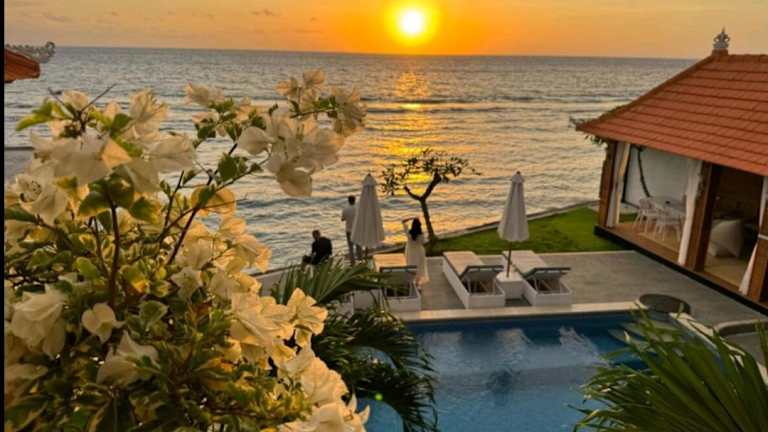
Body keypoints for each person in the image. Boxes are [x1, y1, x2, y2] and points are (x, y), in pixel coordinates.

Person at [402, 218, 429, 285]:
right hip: (419, 251)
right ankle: (417, 283)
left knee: (410, 264)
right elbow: (423, 242)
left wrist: (410, 218)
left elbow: (403, 222)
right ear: (419, 225)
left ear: (413, 225)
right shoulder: (421, 234)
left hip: (410, 251)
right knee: (419, 266)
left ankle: (411, 281)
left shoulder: (409, 233)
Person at [341, 196, 362, 262]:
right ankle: (360, 260)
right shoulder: (358, 208)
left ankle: (352, 262)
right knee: (358, 246)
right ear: (354, 200)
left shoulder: (345, 209)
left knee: (350, 247)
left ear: (348, 200)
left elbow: (342, 219)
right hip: (357, 230)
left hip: (349, 230)